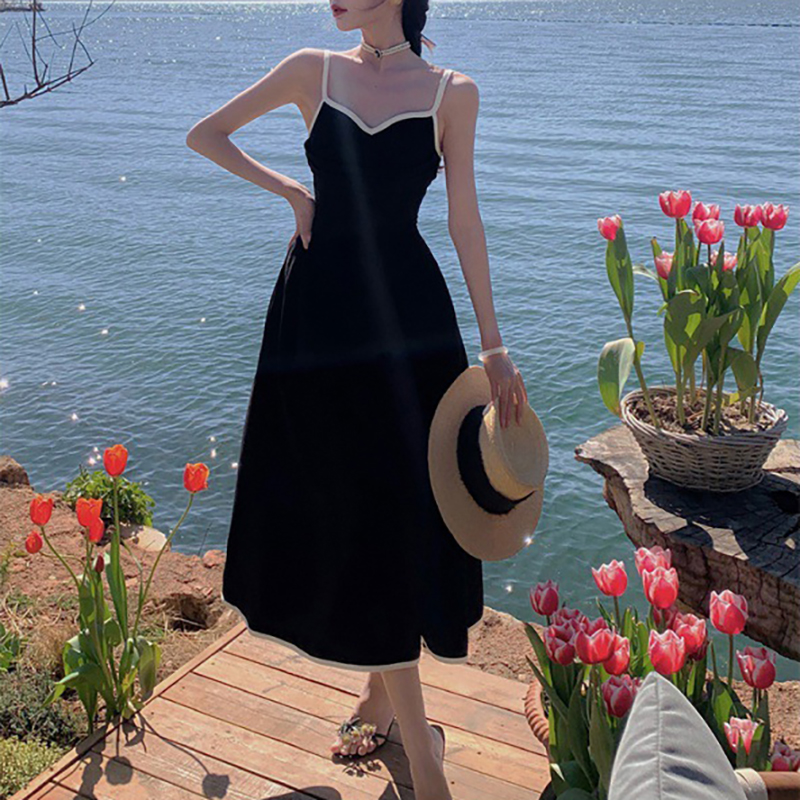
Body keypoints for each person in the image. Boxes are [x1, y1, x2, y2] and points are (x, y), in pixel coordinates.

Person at [186, 0, 527, 795]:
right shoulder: (312, 70)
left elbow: (465, 221)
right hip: (319, 324)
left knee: (401, 506)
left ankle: (396, 714)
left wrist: (495, 347)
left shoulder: (452, 92)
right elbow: (207, 134)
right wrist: (292, 194)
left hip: (410, 325)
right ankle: (416, 742)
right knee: (358, 507)